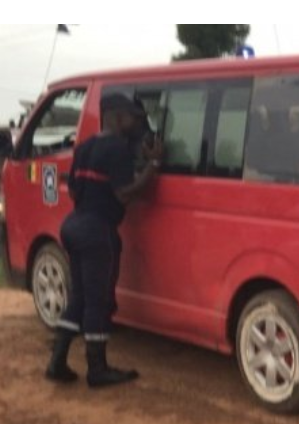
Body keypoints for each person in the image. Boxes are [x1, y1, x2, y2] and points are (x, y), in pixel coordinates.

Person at [45, 93, 164, 388]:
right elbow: (124, 193)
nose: (136, 124)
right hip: (98, 231)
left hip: (74, 225)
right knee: (98, 302)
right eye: (132, 117)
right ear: (116, 115)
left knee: (80, 297)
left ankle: (57, 363)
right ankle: (97, 370)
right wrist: (153, 166)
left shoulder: (85, 146)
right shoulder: (118, 150)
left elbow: (73, 191)